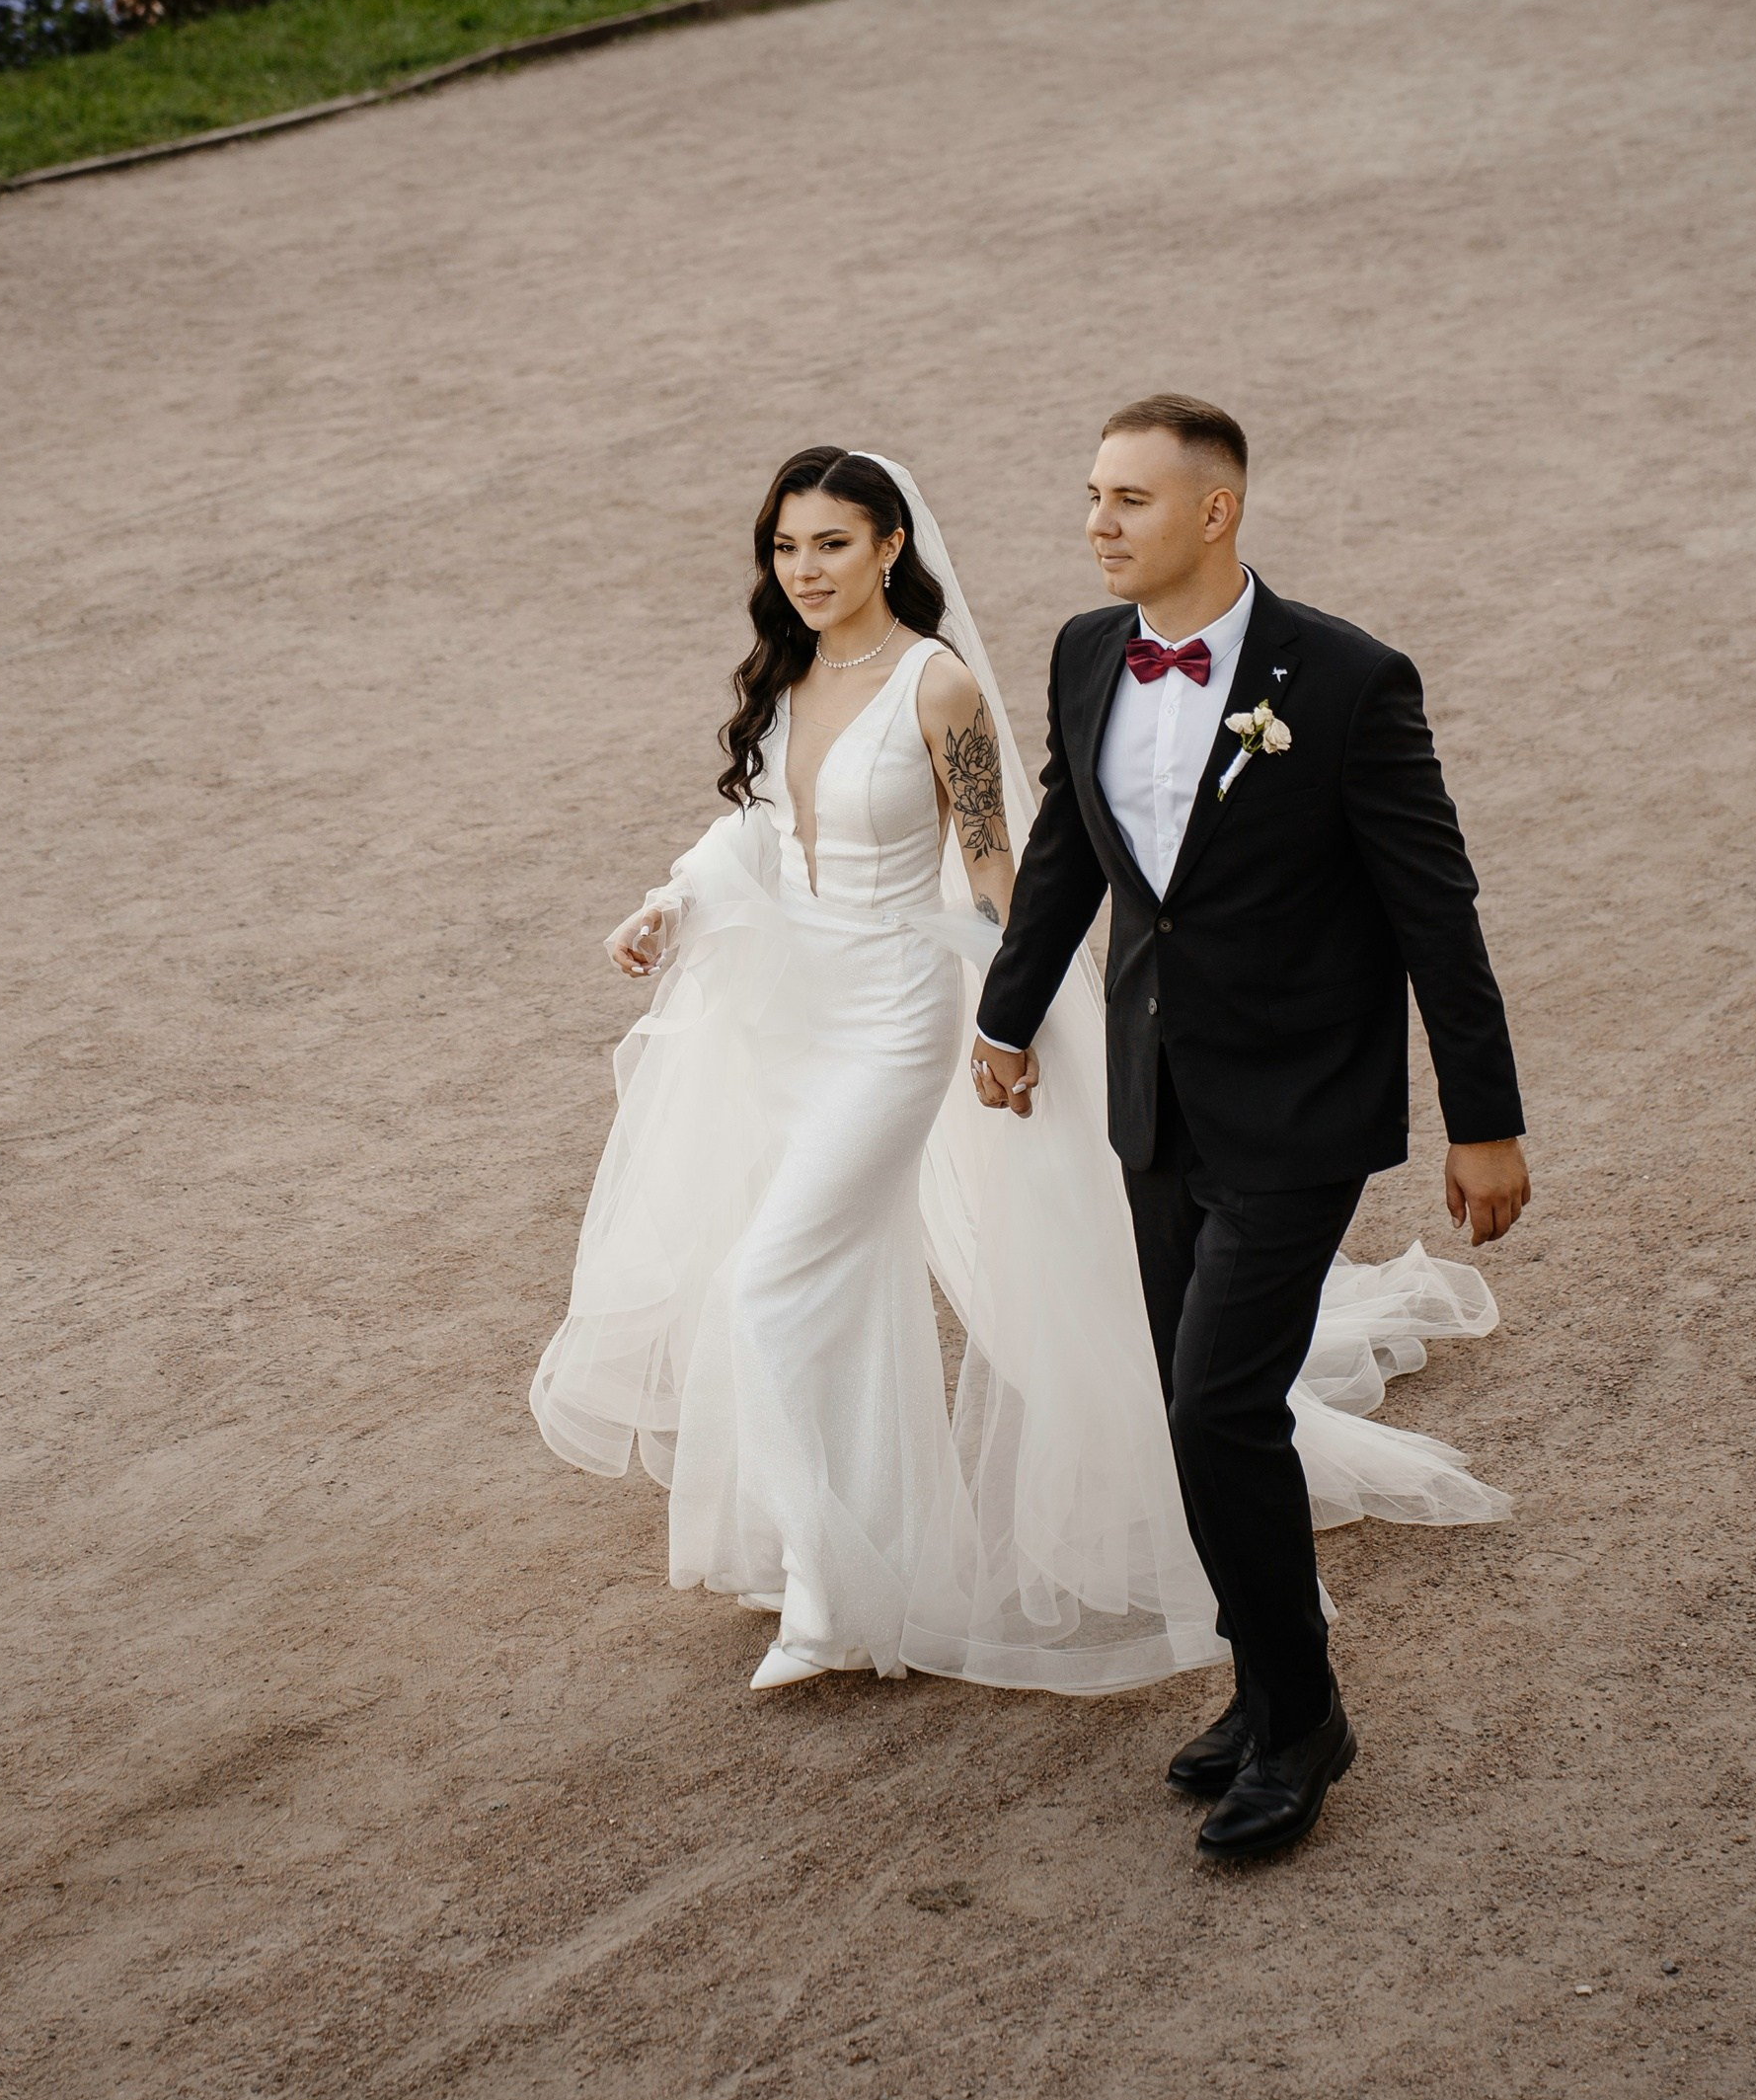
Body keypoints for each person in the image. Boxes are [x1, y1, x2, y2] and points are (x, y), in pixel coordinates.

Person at [534, 440, 1511, 1728]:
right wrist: (670, 903)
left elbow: (1004, 866)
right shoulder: (789, 674)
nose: (806, 568)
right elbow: (760, 829)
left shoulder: (935, 688)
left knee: (763, 1291)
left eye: (832, 542)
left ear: (893, 545)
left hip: (896, 1028)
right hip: (791, 1021)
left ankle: (843, 1596)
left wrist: (1017, 1023)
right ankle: (835, 1551)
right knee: (817, 1294)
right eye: (786, 547)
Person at [973, 393, 1528, 1859]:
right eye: (1092, 494)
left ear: (1214, 513)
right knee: (1197, 1413)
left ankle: (1301, 1725)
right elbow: (1063, 851)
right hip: (1155, 1103)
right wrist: (1006, 1013)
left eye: (1128, 501)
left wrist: (1485, 1121)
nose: (1096, 522)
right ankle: (1268, 1677)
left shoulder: (1345, 681)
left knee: (1219, 1405)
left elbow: (1436, 908)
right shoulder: (1089, 653)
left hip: (1301, 1109)